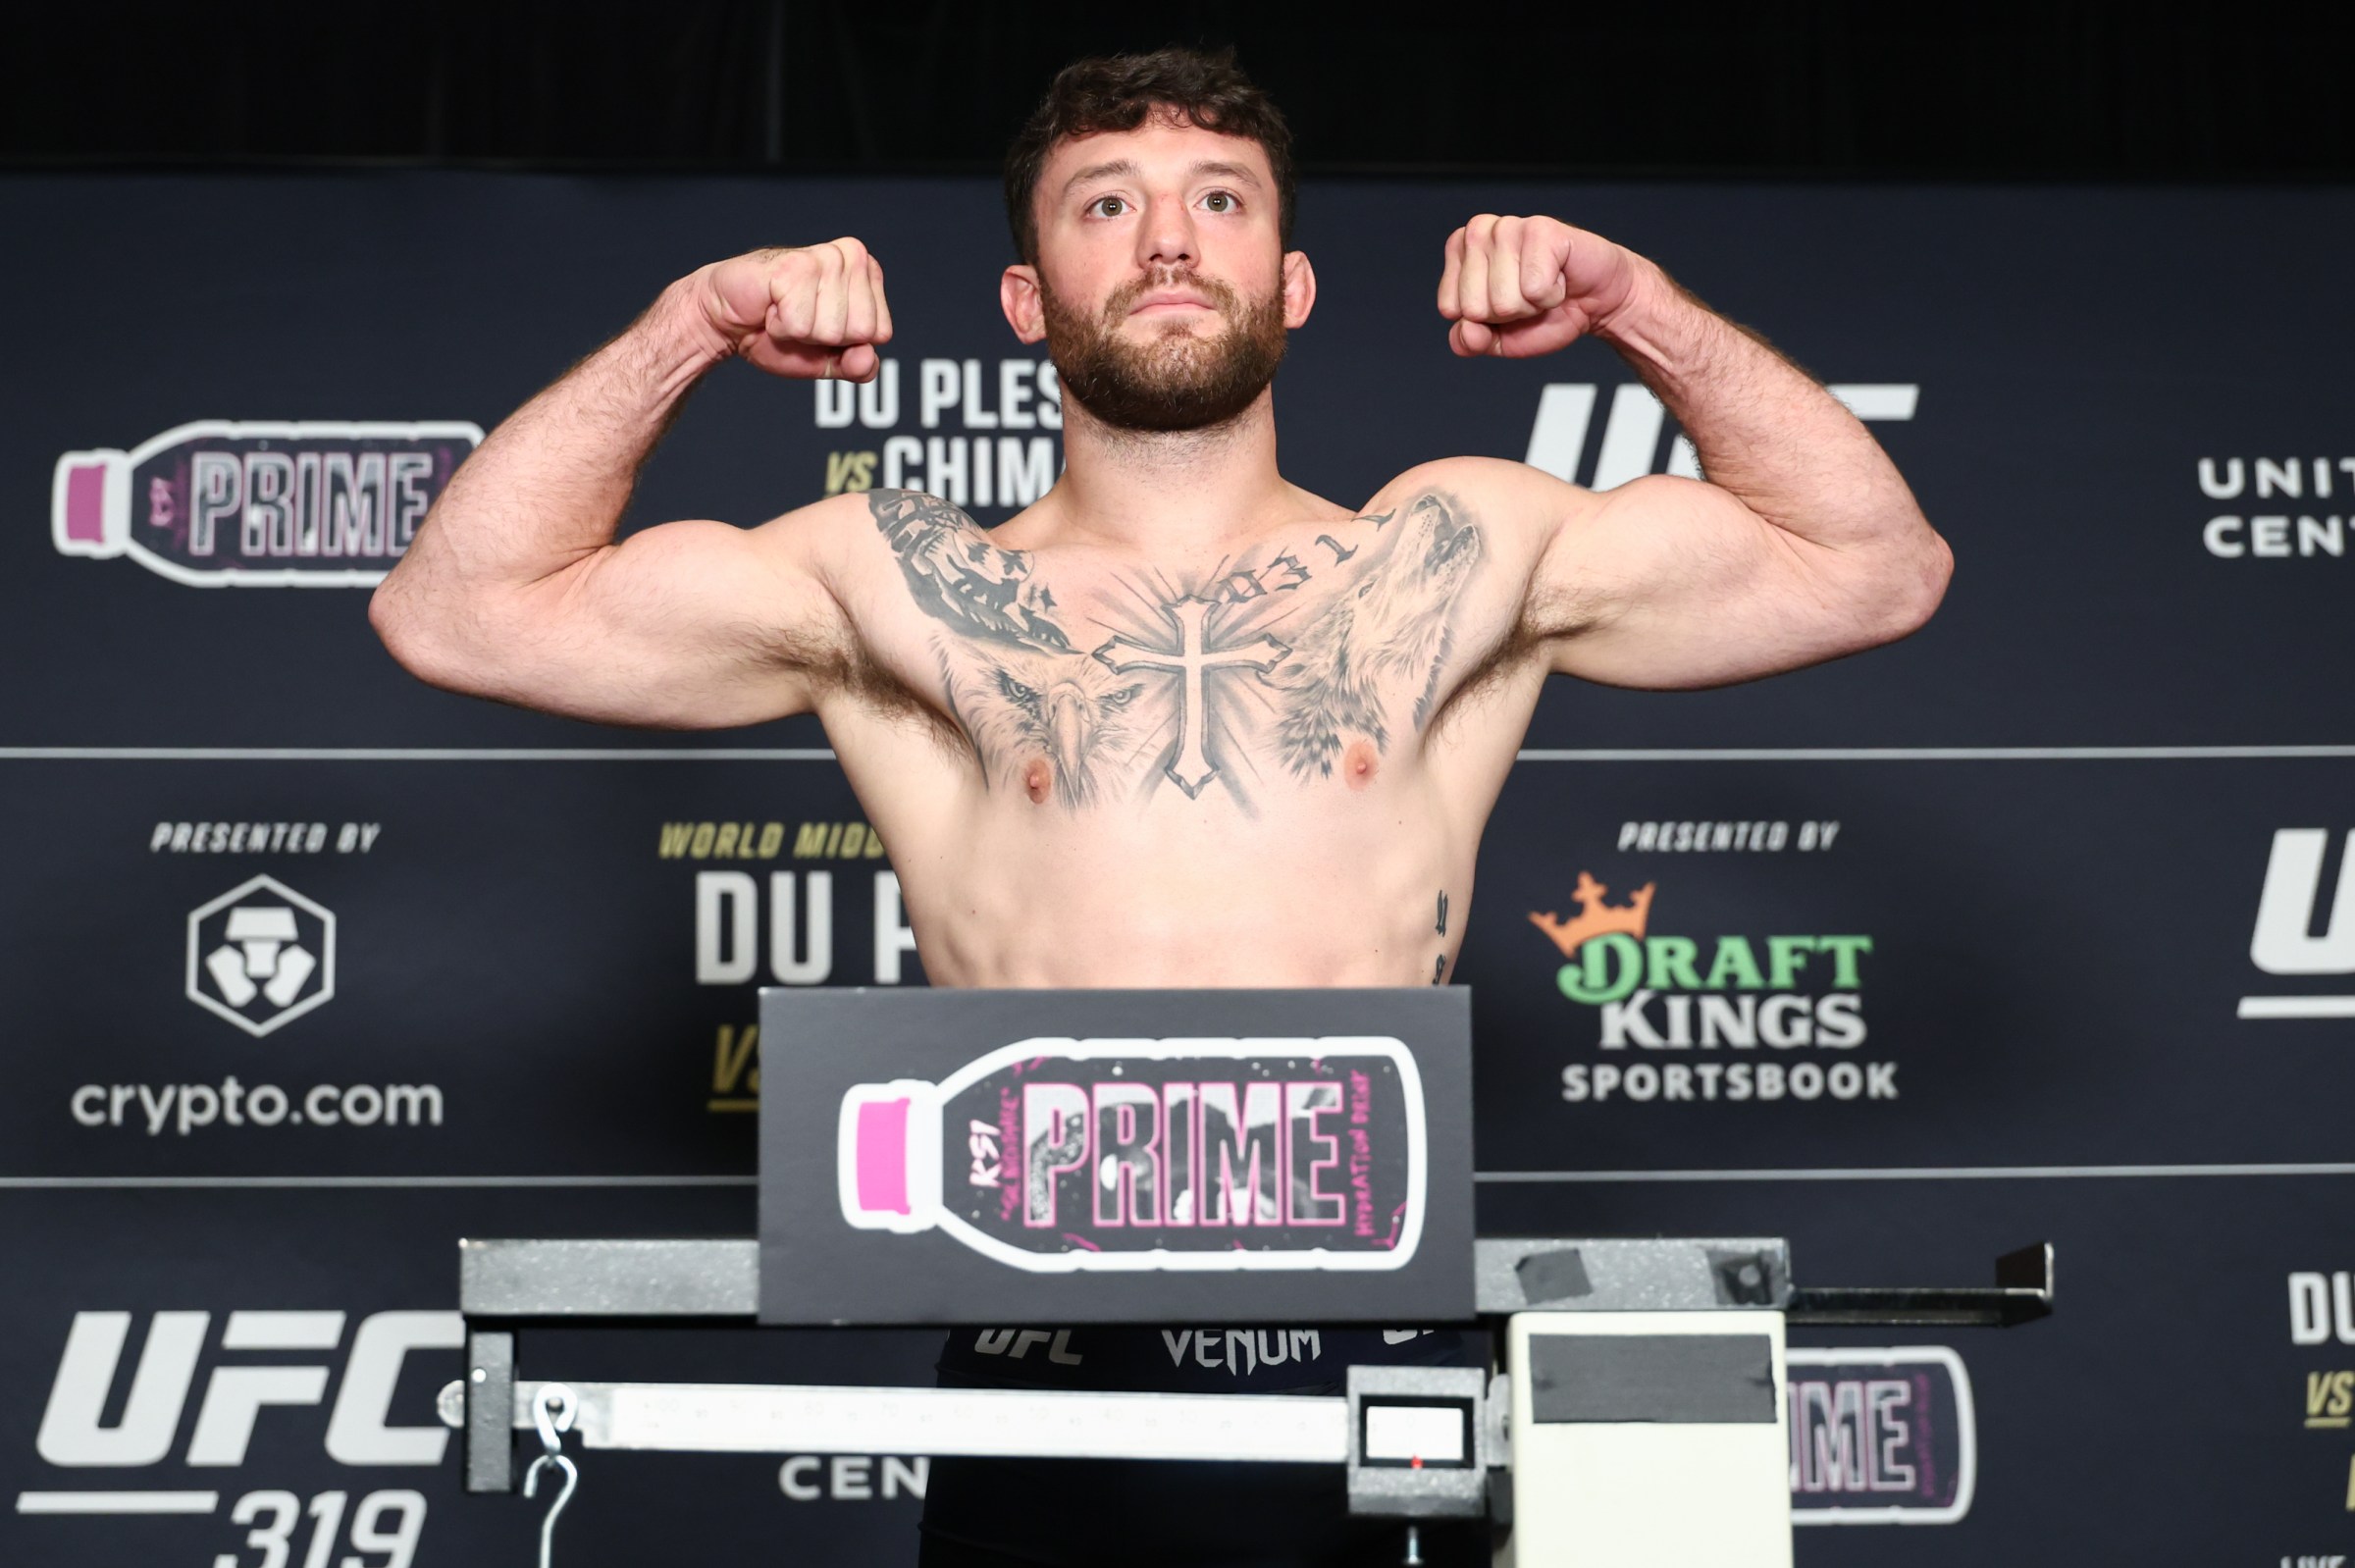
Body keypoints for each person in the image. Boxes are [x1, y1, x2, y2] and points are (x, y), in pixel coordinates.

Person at [372, 44, 1949, 1568]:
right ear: (1026, 297)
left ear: (1291, 281)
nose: (1171, 237)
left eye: (1221, 198)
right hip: (1047, 1370)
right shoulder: (909, 580)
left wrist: (1641, 311)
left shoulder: (1449, 554)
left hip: (1376, 1365)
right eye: (1106, 203)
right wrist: (687, 327)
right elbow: (460, 613)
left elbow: (1876, 567)